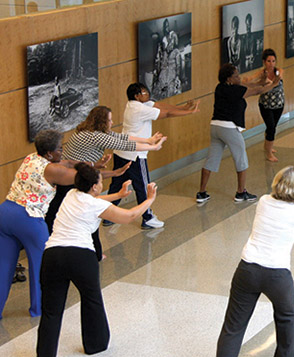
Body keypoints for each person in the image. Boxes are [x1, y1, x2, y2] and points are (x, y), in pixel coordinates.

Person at [203, 166, 294, 357]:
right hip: (277, 275)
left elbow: (281, 202)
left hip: (247, 270)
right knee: (287, 317)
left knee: (233, 326)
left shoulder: (263, 201)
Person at [24, 163, 158, 357]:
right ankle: (95, 345)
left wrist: (117, 195)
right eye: (100, 182)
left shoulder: (70, 195)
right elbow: (129, 215)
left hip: (52, 255)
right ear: (94, 187)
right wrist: (149, 200)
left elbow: (95, 202)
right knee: (91, 299)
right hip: (81, 256)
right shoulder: (93, 203)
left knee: (51, 311)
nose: (101, 185)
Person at [45, 106, 166, 261]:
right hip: (73, 179)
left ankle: (93, 251)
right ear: (101, 121)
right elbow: (124, 145)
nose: (112, 122)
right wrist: (153, 147)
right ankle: (89, 252)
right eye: (109, 119)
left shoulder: (92, 132)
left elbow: (123, 138)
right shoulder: (95, 136)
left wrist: (148, 141)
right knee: (81, 212)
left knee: (68, 209)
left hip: (75, 176)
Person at [0, 130, 93, 319]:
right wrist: (106, 171)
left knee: (3, 266)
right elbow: (81, 178)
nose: (62, 151)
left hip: (5, 213)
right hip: (29, 218)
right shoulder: (51, 170)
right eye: (60, 148)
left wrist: (90, 164)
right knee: (41, 265)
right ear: (50, 153)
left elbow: (66, 162)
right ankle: (39, 309)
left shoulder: (31, 158)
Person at [105, 82, 198, 229]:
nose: (147, 94)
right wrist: (189, 112)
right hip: (136, 154)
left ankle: (107, 215)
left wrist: (183, 107)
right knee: (143, 186)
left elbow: (161, 106)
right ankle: (147, 218)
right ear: (137, 96)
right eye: (144, 92)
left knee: (117, 184)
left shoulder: (133, 104)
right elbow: (166, 113)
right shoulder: (139, 109)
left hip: (121, 152)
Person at [195, 64, 280, 204]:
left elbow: (250, 84)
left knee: (211, 159)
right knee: (241, 158)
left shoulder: (220, 87)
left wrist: (263, 79)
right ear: (229, 79)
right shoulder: (234, 90)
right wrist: (275, 83)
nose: (238, 77)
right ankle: (241, 192)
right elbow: (257, 90)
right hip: (229, 128)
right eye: (236, 75)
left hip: (215, 127)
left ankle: (202, 193)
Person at [249, 48, 284, 162]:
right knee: (271, 128)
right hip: (266, 105)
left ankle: (268, 145)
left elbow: (279, 79)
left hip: (279, 104)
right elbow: (251, 79)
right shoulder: (261, 73)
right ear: (264, 62)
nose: (271, 64)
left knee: (272, 127)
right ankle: (269, 153)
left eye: (273, 61)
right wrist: (250, 81)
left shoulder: (279, 71)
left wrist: (275, 79)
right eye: (269, 61)